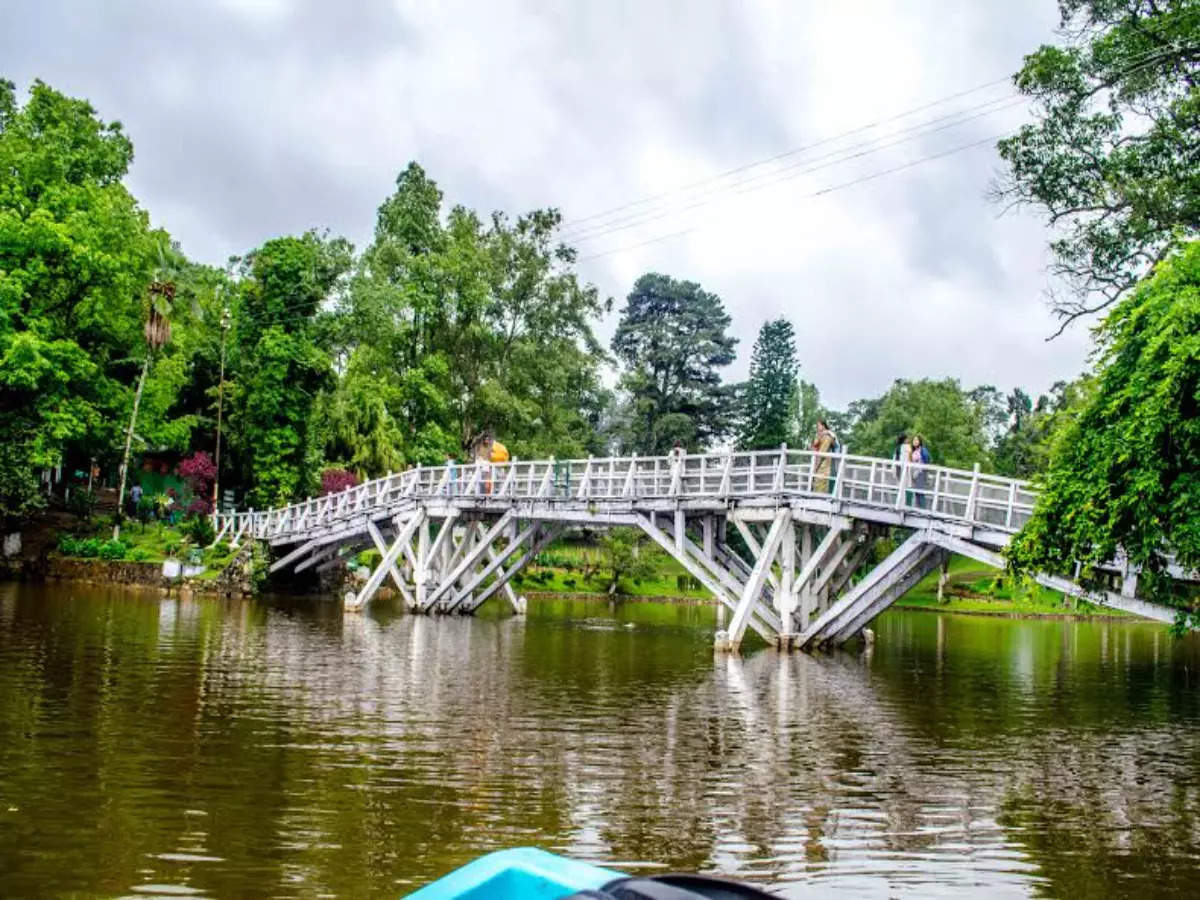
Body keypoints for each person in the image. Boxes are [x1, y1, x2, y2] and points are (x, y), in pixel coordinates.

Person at [810, 420, 837, 493]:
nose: (817, 428)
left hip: (825, 465)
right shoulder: (819, 436)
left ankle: (821, 499)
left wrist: (816, 467)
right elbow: (814, 446)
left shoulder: (827, 437)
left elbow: (822, 453)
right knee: (816, 481)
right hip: (819, 462)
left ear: (823, 426)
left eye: (819, 426)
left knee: (821, 482)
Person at [909, 434, 931, 509]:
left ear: (920, 441)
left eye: (917, 440)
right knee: (917, 492)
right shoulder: (913, 450)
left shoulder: (922, 450)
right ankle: (918, 508)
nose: (915, 441)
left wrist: (925, 471)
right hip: (915, 473)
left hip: (921, 472)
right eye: (914, 440)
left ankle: (922, 509)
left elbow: (927, 460)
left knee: (920, 492)